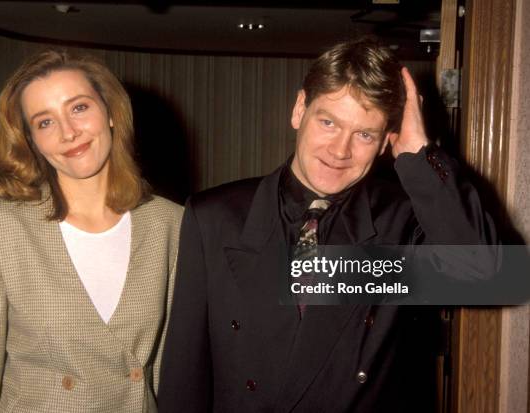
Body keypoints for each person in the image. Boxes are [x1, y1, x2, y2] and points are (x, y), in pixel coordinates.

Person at [158, 38, 497, 412]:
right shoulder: (215, 216)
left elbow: (481, 274)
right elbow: (183, 378)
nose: (340, 151)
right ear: (299, 109)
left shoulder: (401, 222)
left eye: (364, 134)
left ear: (386, 141)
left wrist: (419, 155)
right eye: (328, 122)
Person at [0, 50, 183, 412]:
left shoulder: (170, 223)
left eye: (79, 108)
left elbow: (171, 365)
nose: (69, 133)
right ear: (31, 142)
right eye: (44, 122)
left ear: (111, 112)